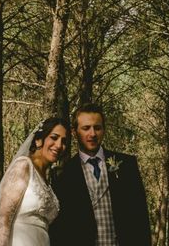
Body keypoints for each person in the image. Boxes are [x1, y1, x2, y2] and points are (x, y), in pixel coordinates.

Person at [49, 103, 151, 246]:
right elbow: (63, 230)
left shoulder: (127, 165)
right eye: (86, 128)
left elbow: (140, 218)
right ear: (74, 132)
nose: (92, 134)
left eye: (97, 128)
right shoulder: (64, 175)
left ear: (104, 130)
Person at [0, 117, 69, 246]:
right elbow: (3, 219)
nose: (59, 145)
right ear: (39, 140)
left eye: (64, 141)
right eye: (54, 137)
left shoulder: (48, 181)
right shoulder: (23, 166)